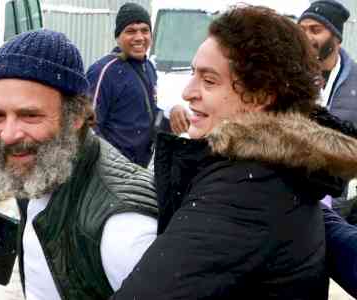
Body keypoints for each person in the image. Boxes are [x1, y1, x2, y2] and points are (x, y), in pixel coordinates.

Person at [110, 5, 357, 299]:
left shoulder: (246, 189)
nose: (188, 91)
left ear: (262, 96)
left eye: (209, 80)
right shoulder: (277, 164)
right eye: (193, 73)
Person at [0, 29, 158, 300]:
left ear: (75, 116)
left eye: (29, 115)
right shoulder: (41, 172)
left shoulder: (124, 230)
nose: (7, 134)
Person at [86, 2, 168, 168]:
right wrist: (110, 166)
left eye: (145, 30)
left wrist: (171, 116)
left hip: (139, 168)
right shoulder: (104, 71)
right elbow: (88, 127)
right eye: (130, 31)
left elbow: (145, 114)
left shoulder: (149, 67)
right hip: (113, 172)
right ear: (118, 37)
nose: (139, 37)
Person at [299, 0, 357, 218]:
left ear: (336, 39)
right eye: (302, 29)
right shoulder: (285, 75)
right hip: (292, 191)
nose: (306, 37)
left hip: (339, 201)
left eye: (315, 30)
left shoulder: (355, 82)